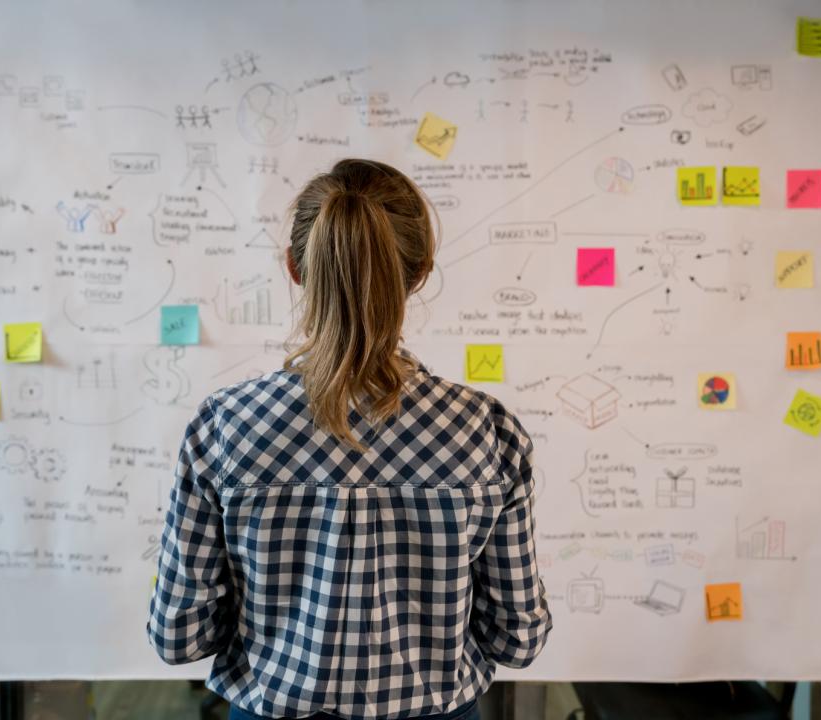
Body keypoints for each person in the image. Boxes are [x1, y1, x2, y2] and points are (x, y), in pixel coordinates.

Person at [148, 159, 552, 720]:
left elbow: (178, 635)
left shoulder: (224, 424)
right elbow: (518, 639)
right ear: (419, 273)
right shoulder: (487, 429)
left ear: (294, 266)